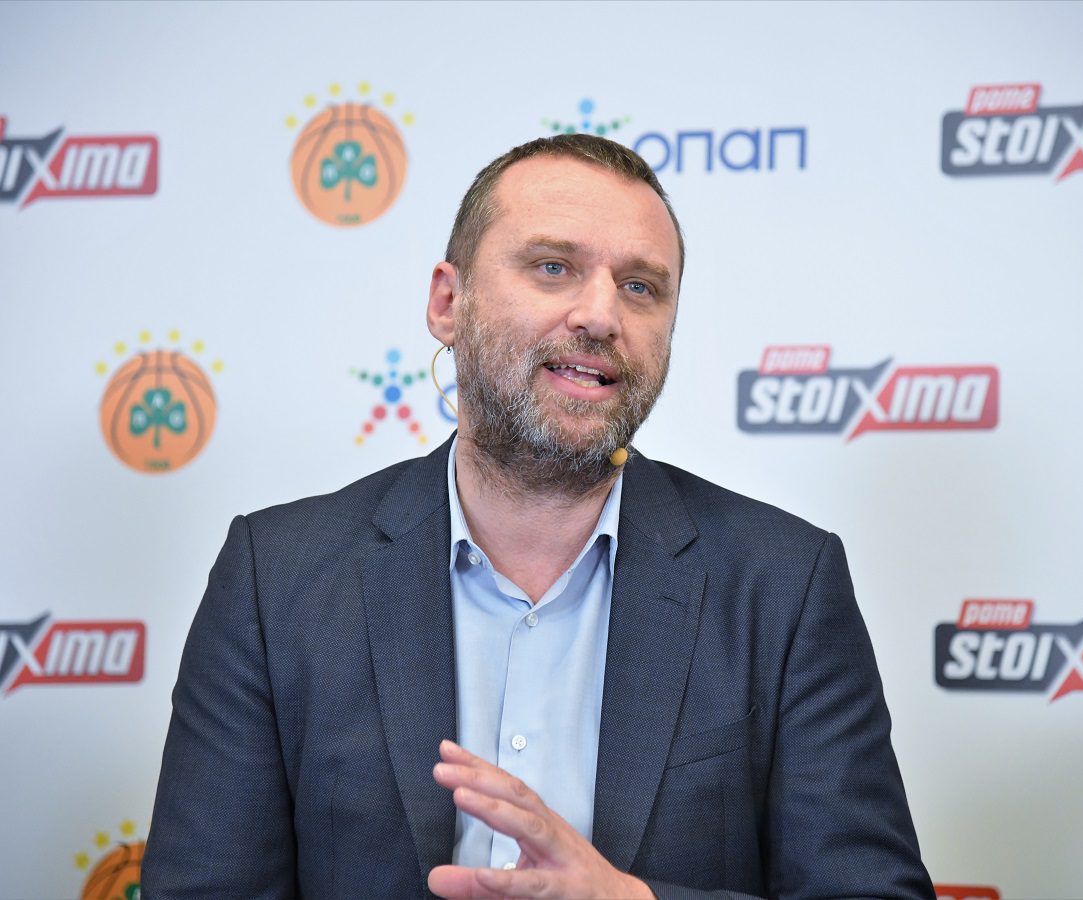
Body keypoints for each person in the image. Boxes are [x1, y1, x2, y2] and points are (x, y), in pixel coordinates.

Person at [142, 134, 934, 899]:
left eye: (639, 287)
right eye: (553, 268)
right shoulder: (275, 578)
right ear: (447, 302)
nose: (600, 315)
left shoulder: (782, 584)